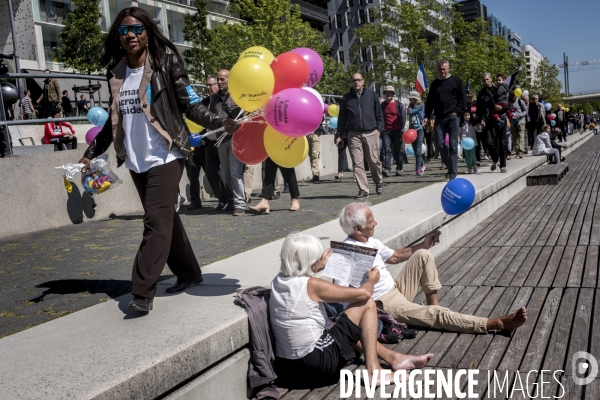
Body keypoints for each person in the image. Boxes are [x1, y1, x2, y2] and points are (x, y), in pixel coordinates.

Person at [78, 7, 236, 313]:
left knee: (154, 221)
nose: (131, 36)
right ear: (118, 36)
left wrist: (218, 119)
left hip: (166, 154)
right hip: (136, 161)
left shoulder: (166, 63)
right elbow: (114, 122)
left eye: (137, 29)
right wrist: (90, 153)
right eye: (124, 31)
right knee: (166, 220)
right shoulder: (116, 72)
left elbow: (189, 103)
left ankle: (142, 291)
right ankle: (189, 273)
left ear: (148, 32)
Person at [269, 232, 434, 388]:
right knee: (367, 302)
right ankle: (375, 372)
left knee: (337, 327)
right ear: (310, 261)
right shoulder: (312, 285)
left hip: (290, 367)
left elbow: (304, 275)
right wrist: (371, 280)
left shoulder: (278, 280)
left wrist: (318, 264)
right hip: (317, 363)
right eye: (317, 258)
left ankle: (395, 358)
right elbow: (363, 293)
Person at [337, 203, 528, 334]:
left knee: (423, 255)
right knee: (436, 316)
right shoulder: (345, 253)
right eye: (371, 221)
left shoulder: (371, 241)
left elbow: (395, 256)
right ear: (357, 228)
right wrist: (369, 289)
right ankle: (495, 323)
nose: (375, 223)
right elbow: (339, 294)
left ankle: (433, 303)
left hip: (396, 289)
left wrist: (424, 244)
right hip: (383, 304)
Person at [336, 73, 384, 198]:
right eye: (353, 80)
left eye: (358, 80)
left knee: (373, 161)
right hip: (353, 134)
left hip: (371, 132)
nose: (356, 82)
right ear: (351, 83)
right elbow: (342, 118)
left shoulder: (371, 94)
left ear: (363, 81)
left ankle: (378, 182)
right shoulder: (346, 98)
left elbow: (379, 113)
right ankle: (363, 189)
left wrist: (379, 129)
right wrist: (339, 134)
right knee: (357, 163)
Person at [423, 60, 466, 181]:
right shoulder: (435, 83)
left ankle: (452, 173)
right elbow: (430, 101)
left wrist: (457, 112)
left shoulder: (456, 81)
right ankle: (450, 166)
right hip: (439, 117)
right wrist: (427, 115)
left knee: (453, 145)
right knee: (440, 144)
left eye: (444, 69)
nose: (442, 71)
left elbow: (462, 99)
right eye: (440, 69)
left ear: (448, 69)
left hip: (453, 116)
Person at [210, 69, 245, 216]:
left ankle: (240, 204)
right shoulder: (214, 99)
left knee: (235, 172)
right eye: (218, 79)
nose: (219, 82)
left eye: (222, 79)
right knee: (225, 173)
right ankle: (231, 199)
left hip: (235, 140)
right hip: (220, 140)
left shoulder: (238, 96)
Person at [477, 73, 509, 173]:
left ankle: (503, 165)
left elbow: (507, 104)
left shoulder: (498, 89)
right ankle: (495, 159)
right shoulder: (481, 93)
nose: (486, 82)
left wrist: (502, 108)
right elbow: (479, 108)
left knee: (502, 143)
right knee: (489, 142)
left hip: (500, 119)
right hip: (489, 120)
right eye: (484, 80)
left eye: (487, 79)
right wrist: (479, 121)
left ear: (491, 79)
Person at [380, 86, 407, 177]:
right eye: (387, 93)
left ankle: (399, 167)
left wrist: (402, 130)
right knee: (386, 150)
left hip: (396, 130)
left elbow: (403, 118)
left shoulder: (398, 105)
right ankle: (387, 168)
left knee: (397, 150)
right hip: (386, 131)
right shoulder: (382, 105)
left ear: (393, 94)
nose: (388, 94)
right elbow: (379, 118)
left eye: (390, 93)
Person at [407, 91, 425, 175]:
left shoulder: (421, 105)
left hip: (419, 129)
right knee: (415, 150)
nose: (409, 99)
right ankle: (422, 164)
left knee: (418, 150)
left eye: (411, 98)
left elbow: (410, 112)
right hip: (412, 130)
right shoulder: (410, 105)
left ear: (416, 99)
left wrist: (410, 108)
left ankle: (418, 169)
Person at [508, 91, 528, 159]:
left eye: (513, 97)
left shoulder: (520, 101)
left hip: (521, 122)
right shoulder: (508, 102)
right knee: (515, 138)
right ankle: (517, 152)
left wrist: (520, 115)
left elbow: (525, 110)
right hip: (513, 122)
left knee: (521, 137)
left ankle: (521, 152)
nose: (512, 98)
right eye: (511, 97)